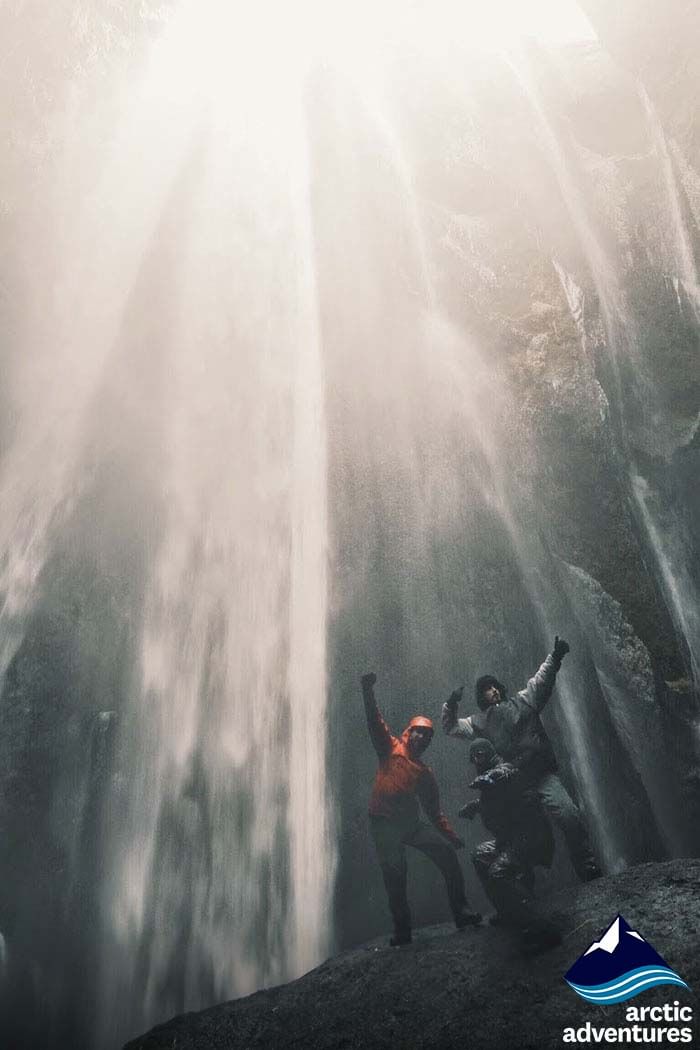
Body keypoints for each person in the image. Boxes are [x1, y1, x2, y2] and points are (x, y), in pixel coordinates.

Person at [442, 637, 600, 882]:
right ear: (481, 696)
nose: (493, 690)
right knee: (518, 834)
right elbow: (451, 727)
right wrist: (451, 704)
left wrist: (555, 656)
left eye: (495, 686)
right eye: (487, 688)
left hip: (541, 773)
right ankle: (524, 885)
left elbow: (541, 680)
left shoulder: (523, 700)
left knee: (568, 814)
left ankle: (588, 867)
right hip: (512, 785)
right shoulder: (479, 721)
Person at [361, 671, 481, 946]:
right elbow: (374, 720)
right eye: (420, 733)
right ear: (409, 732)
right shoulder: (389, 748)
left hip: (410, 824)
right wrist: (367, 690)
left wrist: (451, 836)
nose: (423, 738)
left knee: (447, 855)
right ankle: (402, 932)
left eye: (428, 736)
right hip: (383, 823)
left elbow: (434, 810)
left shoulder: (425, 773)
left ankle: (462, 913)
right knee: (395, 872)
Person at [461, 737, 560, 953]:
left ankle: (543, 929)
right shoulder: (490, 775)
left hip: (530, 837)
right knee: (479, 856)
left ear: (488, 753)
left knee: (499, 872)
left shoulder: (503, 768)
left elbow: (507, 773)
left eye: (479, 754)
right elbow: (501, 801)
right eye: (474, 757)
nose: (476, 760)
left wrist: (490, 776)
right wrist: (476, 805)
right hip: (511, 839)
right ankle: (509, 912)